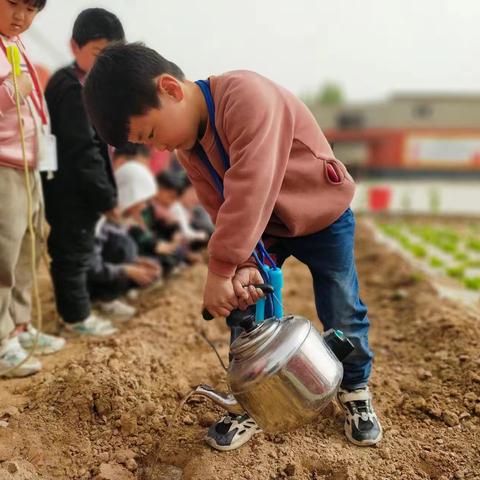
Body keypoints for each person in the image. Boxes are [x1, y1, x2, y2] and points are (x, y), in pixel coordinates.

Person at [83, 43, 382, 450]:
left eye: (151, 133)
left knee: (341, 302)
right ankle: (255, 398)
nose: (159, 148)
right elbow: (220, 205)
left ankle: (354, 389)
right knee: (244, 306)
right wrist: (240, 265)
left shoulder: (247, 98)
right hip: (261, 228)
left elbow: (251, 185)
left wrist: (221, 266)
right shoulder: (189, 146)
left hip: (319, 214)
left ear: (170, 89)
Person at [41, 8, 125, 336]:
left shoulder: (86, 84)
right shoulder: (71, 88)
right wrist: (105, 196)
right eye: (98, 53)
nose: (105, 63)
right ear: (74, 46)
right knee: (72, 253)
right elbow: (83, 150)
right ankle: (75, 317)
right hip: (70, 189)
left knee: (83, 248)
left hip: (82, 187)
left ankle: (87, 304)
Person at [0, 0, 65, 378]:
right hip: (5, 165)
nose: (22, 17)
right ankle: (2, 337)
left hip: (27, 162)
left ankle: (20, 325)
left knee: (27, 244)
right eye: (14, 4)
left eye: (32, 9)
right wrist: (13, 91)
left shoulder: (16, 42)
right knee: (3, 254)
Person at [88, 161, 161, 320]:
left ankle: (110, 297)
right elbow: (90, 266)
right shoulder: (99, 222)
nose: (144, 207)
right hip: (89, 280)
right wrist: (127, 270)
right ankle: (102, 300)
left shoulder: (118, 221)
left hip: (101, 272)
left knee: (129, 247)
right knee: (123, 245)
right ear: (130, 194)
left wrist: (136, 261)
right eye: (142, 200)